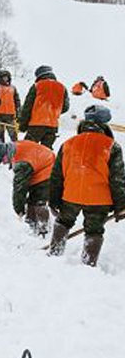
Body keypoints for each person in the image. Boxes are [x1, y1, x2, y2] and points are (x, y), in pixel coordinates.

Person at [48, 106, 125, 266]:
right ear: (104, 124)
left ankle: (54, 253)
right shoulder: (112, 146)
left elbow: (57, 175)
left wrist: (54, 200)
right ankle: (88, 266)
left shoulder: (68, 144)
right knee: (94, 231)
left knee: (63, 222)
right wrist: (121, 206)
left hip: (71, 195)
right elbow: (117, 180)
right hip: (99, 200)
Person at [0, 141, 55, 236]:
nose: (3, 163)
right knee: (32, 201)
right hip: (41, 163)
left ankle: (43, 231)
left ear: (6, 154)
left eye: (3, 160)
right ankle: (31, 226)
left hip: (48, 169)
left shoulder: (22, 163)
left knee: (39, 201)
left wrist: (19, 209)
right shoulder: (14, 147)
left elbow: (19, 189)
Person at [19, 65, 69, 149]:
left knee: (27, 149)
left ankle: (26, 162)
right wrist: (53, 112)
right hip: (52, 126)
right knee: (45, 152)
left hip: (36, 125)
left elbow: (27, 107)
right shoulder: (62, 88)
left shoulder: (37, 86)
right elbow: (65, 107)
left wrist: (23, 125)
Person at [0, 70, 20, 143]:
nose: (5, 79)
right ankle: (1, 146)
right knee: (0, 133)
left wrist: (18, 111)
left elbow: (17, 100)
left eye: (7, 77)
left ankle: (16, 146)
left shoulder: (13, 88)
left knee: (13, 133)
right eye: (3, 77)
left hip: (10, 115)